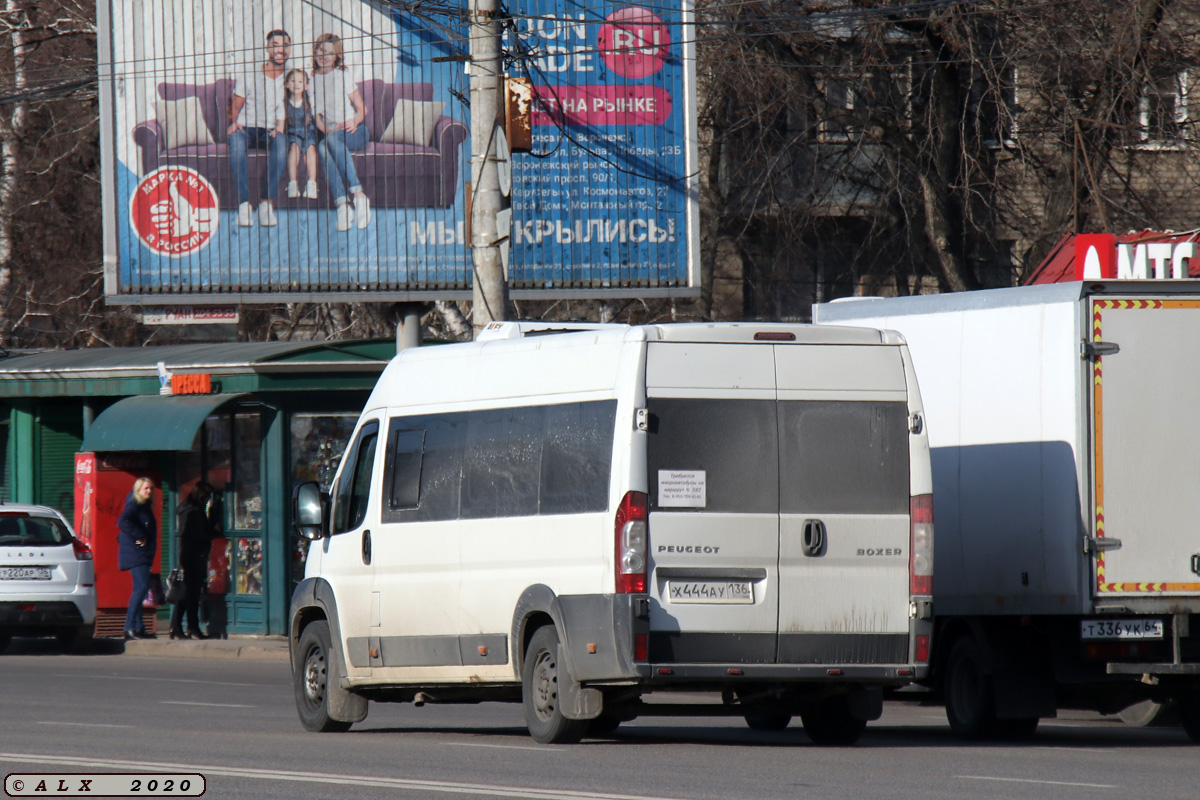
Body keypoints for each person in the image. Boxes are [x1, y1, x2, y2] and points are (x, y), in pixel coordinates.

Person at [227, 29, 291, 228]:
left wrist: (280, 127)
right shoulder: (250, 74)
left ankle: (266, 204)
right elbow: (234, 108)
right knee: (236, 149)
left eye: (285, 45)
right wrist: (234, 121)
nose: (281, 50)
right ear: (267, 49)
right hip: (246, 128)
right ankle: (245, 206)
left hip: (272, 131)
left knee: (281, 147)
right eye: (275, 45)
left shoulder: (292, 78)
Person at [311, 33, 371, 232]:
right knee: (323, 145)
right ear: (315, 51)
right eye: (321, 50)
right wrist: (328, 130)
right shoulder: (312, 81)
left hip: (356, 131)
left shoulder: (342, 75)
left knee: (326, 143)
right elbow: (317, 118)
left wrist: (354, 120)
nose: (324, 55)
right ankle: (344, 206)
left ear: (336, 57)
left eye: (329, 53)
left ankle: (358, 196)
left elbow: (362, 108)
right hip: (332, 134)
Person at [169, 482, 219, 640]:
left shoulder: (187, 509)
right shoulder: (195, 512)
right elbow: (202, 535)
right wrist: (213, 522)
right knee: (191, 593)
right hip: (195, 555)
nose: (208, 500)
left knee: (189, 591)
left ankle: (180, 626)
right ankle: (186, 626)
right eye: (207, 497)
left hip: (188, 554)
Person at [117, 477, 157, 640]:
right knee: (141, 588)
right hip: (135, 553)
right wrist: (140, 536)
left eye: (150, 489)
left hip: (143, 553)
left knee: (140, 589)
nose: (149, 491)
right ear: (138, 490)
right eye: (145, 488)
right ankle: (129, 627)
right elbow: (122, 521)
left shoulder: (145, 506)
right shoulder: (134, 504)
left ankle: (139, 628)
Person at [275, 68, 319, 200]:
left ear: (306, 86)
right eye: (293, 81)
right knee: (294, 148)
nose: (296, 84)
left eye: (300, 81)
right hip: (293, 134)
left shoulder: (310, 102)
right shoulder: (284, 103)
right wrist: (277, 129)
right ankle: (293, 184)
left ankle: (311, 183)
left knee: (310, 150)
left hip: (309, 133)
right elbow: (281, 123)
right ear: (287, 85)